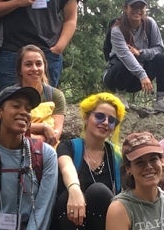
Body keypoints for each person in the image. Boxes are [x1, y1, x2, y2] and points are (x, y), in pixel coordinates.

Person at [0, 86, 58, 230]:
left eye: (28, 109)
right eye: (16, 106)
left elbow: (43, 209)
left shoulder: (46, 155)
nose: (23, 112)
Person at [51, 92, 126, 230]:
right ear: (86, 117)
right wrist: (74, 189)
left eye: (111, 120)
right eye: (99, 116)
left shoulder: (116, 156)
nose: (105, 122)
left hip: (103, 223)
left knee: (99, 192)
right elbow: (66, 167)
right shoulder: (68, 147)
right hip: (69, 222)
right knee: (66, 196)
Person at [103, 0, 164, 112]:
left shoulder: (150, 24)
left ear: (146, 8)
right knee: (125, 61)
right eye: (133, 6)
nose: (137, 10)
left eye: (141, 7)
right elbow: (125, 55)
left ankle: (161, 99)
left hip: (139, 80)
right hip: (116, 76)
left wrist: (141, 53)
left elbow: (159, 48)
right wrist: (143, 75)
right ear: (125, 8)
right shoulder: (117, 29)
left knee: (163, 59)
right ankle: (120, 95)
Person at [105, 132, 164, 230]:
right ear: (128, 168)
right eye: (139, 162)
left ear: (162, 161)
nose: (148, 167)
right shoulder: (120, 209)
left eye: (153, 159)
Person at [0, 44, 66, 144]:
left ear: (45, 67)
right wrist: (43, 127)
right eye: (28, 64)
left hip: (49, 152)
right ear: (20, 70)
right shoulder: (9, 95)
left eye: (39, 64)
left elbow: (55, 134)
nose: (34, 68)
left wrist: (30, 137)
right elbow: (7, 126)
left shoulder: (55, 95)